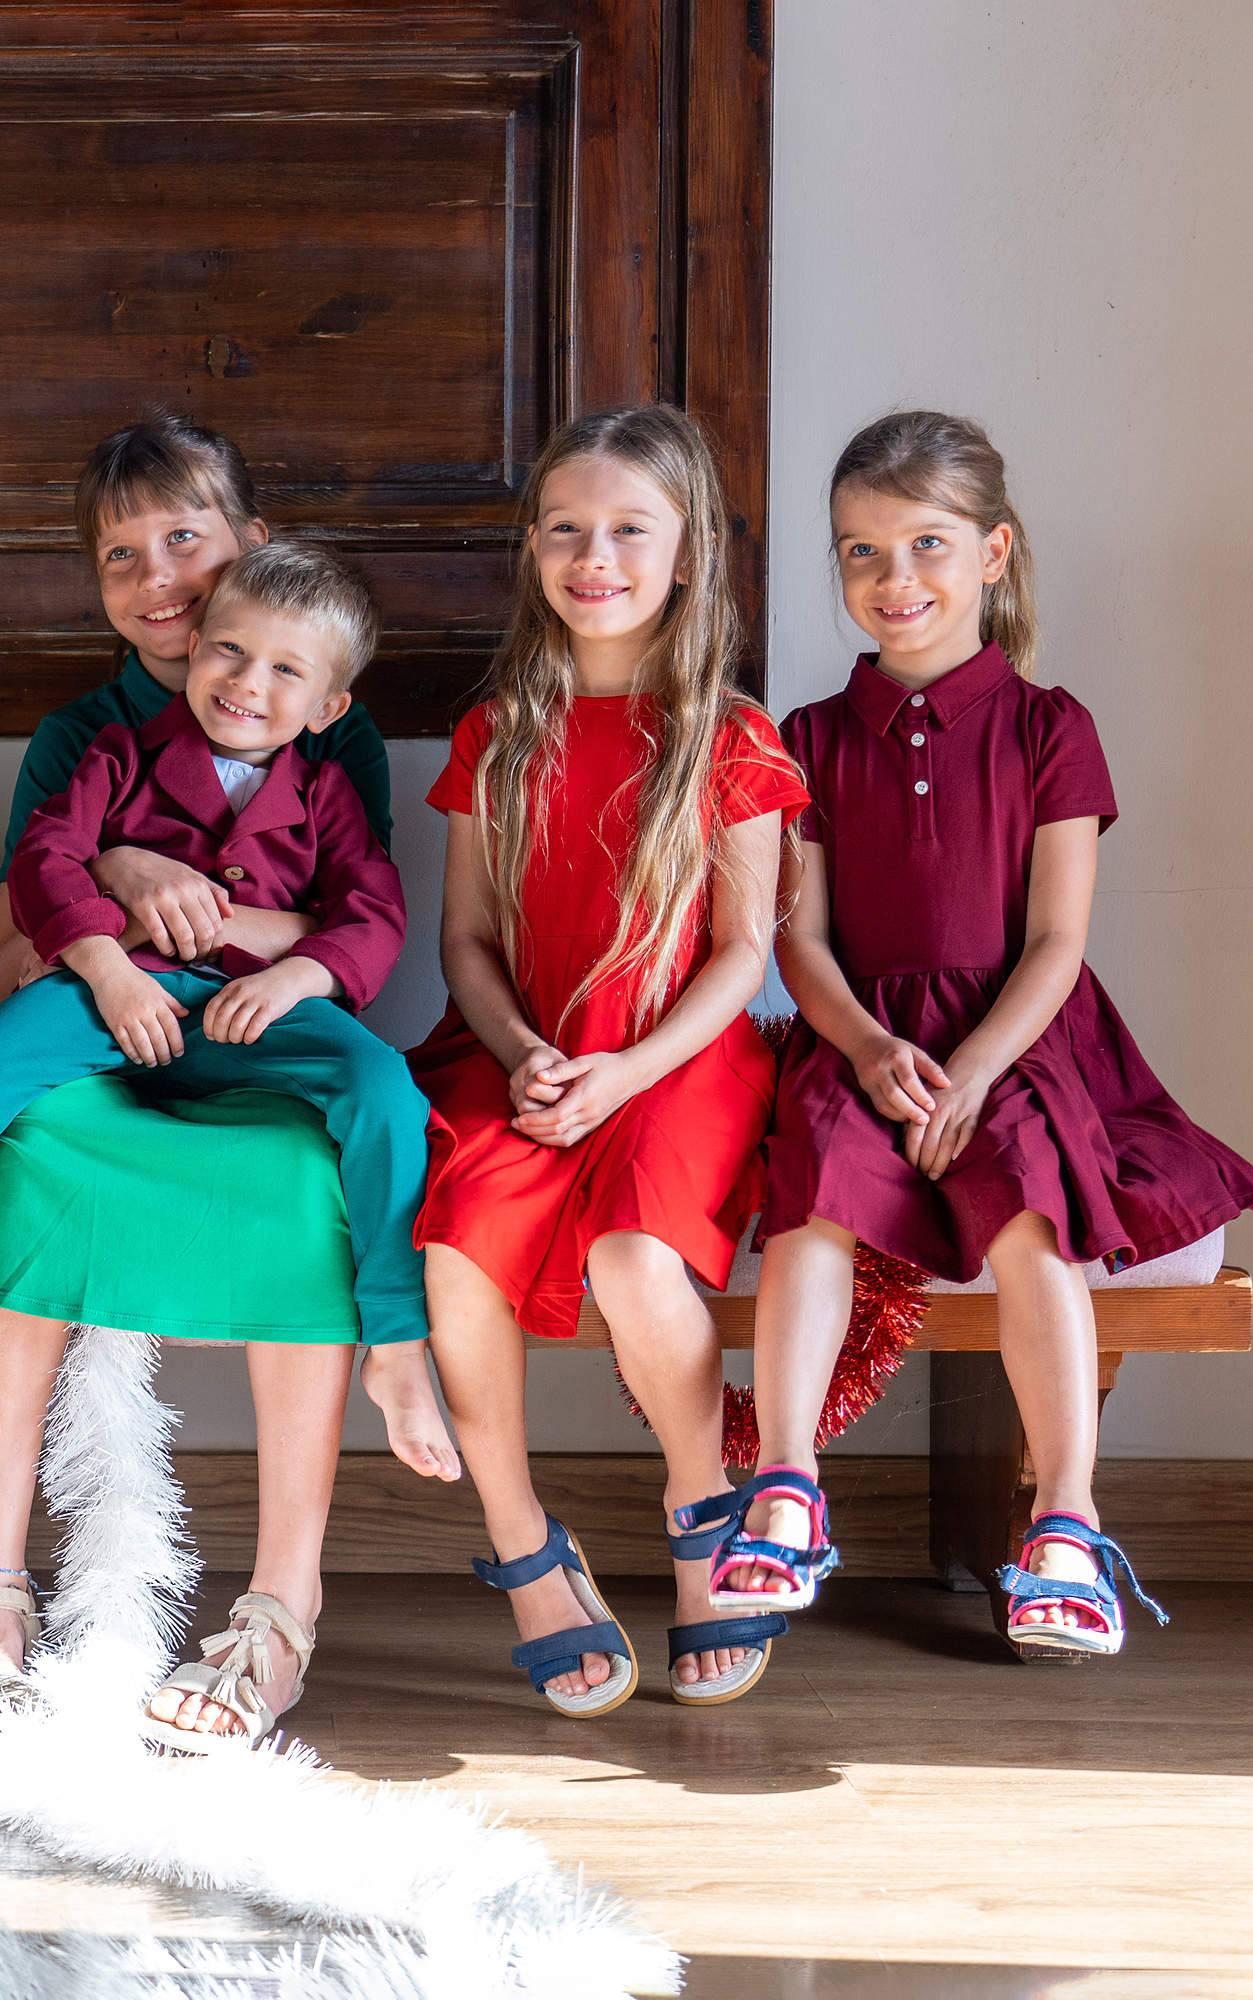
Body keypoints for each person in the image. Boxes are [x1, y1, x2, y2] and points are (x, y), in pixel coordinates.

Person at [0, 538, 431, 1749]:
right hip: (108, 994)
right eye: (228, 648)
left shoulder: (330, 783)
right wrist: (108, 963)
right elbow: (45, 863)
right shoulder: (117, 750)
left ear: (329, 704)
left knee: (381, 1090)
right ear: (194, 645)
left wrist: (294, 977)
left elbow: (371, 914)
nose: (244, 680)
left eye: (285, 670)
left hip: (254, 1016)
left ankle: (394, 1341)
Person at [716, 410, 1253, 1659]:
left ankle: (1064, 1521)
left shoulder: (1047, 726)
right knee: (810, 1194)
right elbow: (795, 942)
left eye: (923, 544)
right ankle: (787, 1487)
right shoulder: (801, 738)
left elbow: (1054, 943)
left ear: (992, 553)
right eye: (859, 553)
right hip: (862, 1032)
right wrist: (865, 1050)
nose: (892, 578)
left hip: (1010, 1035)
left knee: (1030, 1210)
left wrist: (973, 1065)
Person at [413, 405, 809, 1712]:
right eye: (567, 531)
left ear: (686, 552)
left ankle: (706, 1514)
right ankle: (527, 1547)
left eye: (631, 530)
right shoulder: (500, 732)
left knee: (636, 1262)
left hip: (677, 1059)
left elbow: (747, 953)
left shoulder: (731, 736)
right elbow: (466, 938)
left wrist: (626, 1074)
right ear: (533, 549)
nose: (598, 557)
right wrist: (526, 1048)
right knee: (459, 1252)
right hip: (517, 1052)